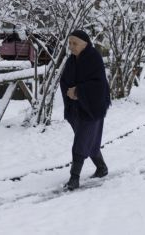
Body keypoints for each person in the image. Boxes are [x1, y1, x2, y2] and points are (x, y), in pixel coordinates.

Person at [59, 29, 111, 190]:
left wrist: (78, 92)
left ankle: (74, 178)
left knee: (81, 141)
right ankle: (102, 168)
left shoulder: (93, 58)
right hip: (75, 108)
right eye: (70, 43)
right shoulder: (72, 60)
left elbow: (99, 84)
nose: (71, 46)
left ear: (85, 44)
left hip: (92, 108)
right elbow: (64, 80)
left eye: (75, 43)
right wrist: (70, 92)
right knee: (89, 140)